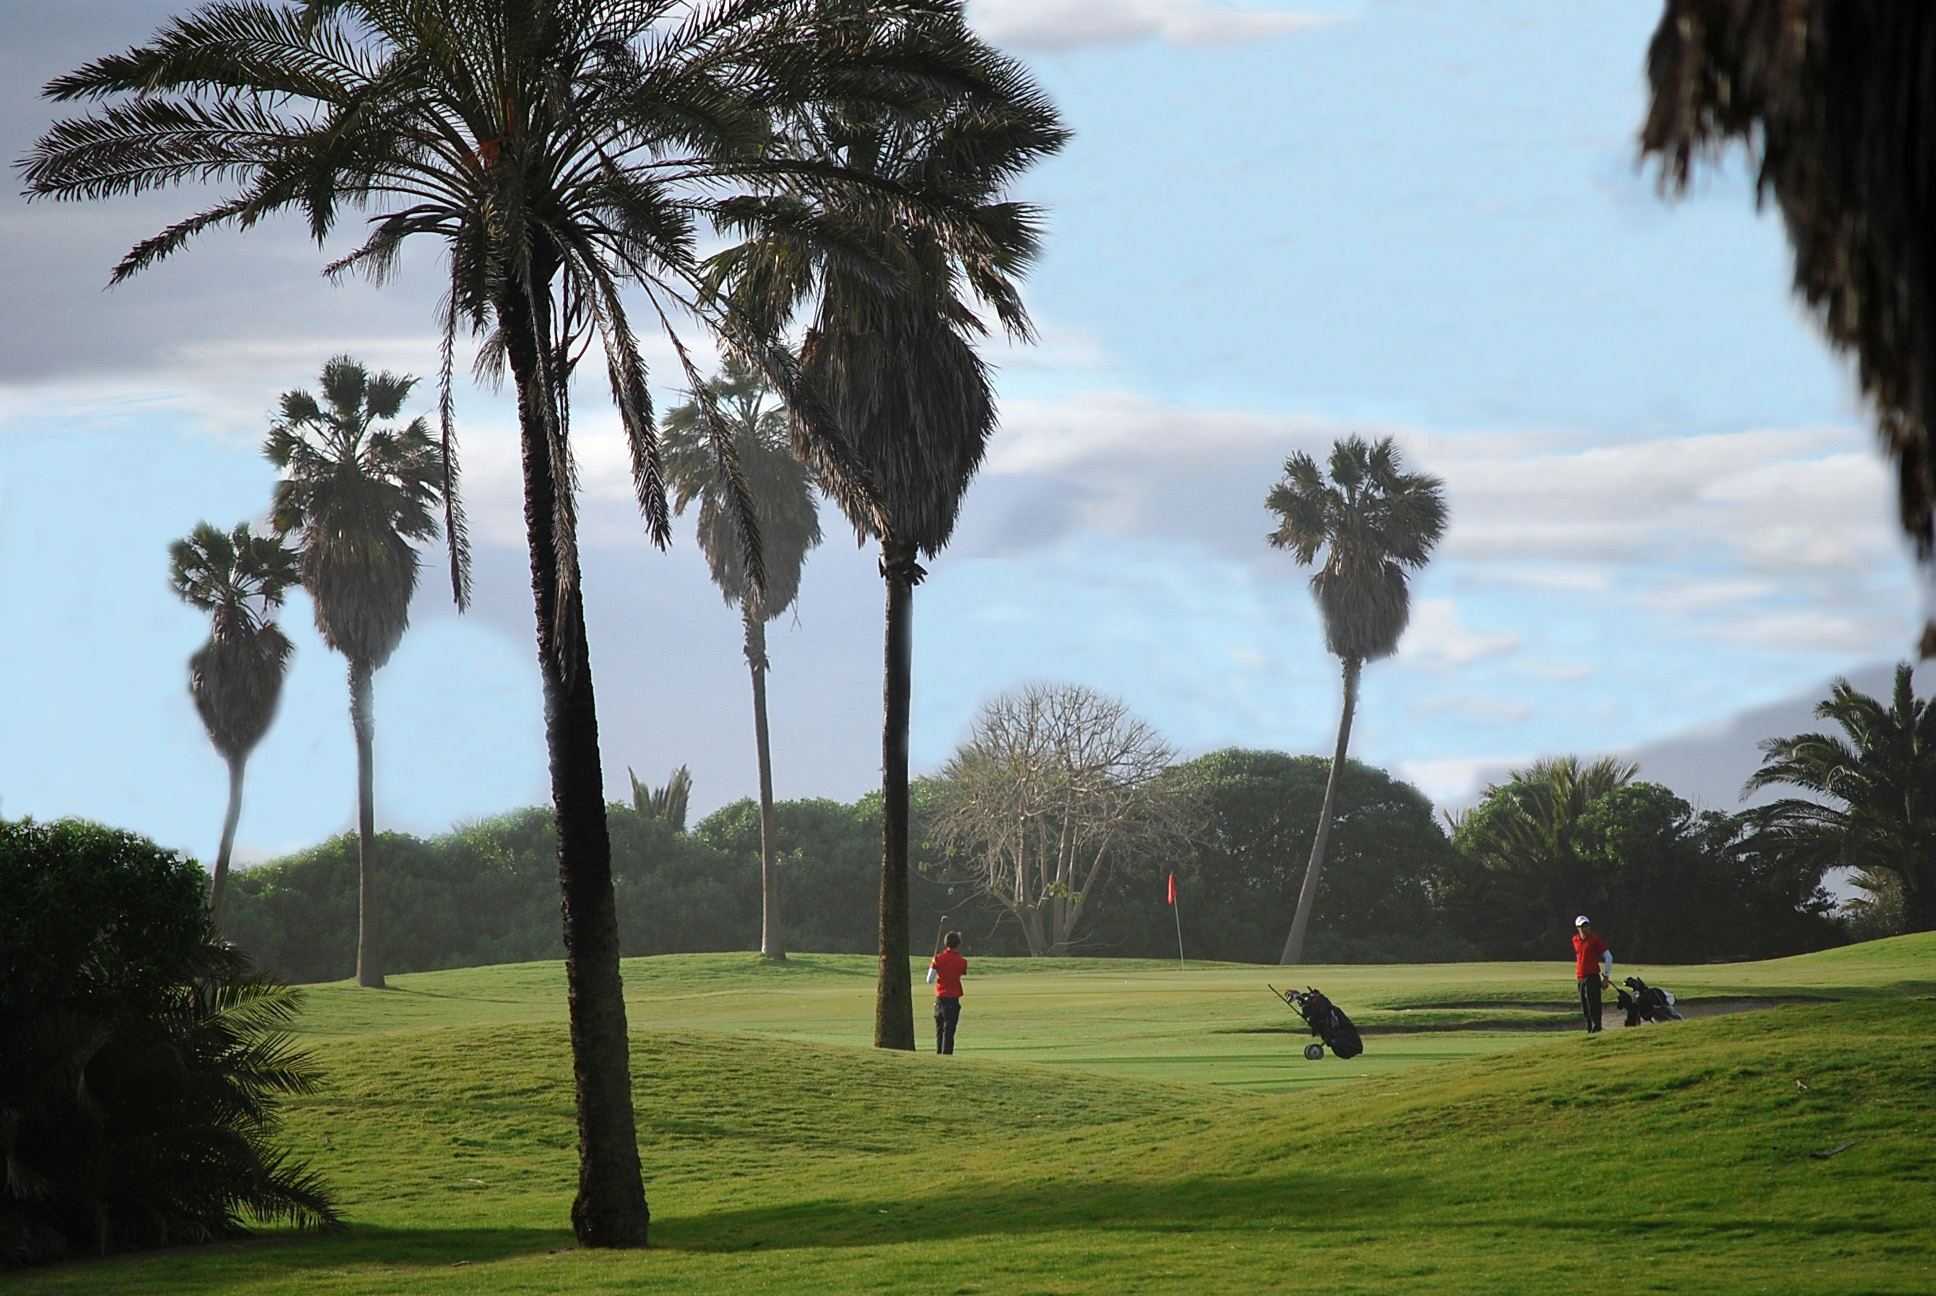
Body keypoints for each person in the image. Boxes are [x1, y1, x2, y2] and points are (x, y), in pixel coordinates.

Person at [926, 930, 967, 1055]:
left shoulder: (937, 958)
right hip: (953, 999)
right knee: (949, 1031)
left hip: (940, 998)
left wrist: (935, 964)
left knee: (939, 1030)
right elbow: (962, 972)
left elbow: (929, 980)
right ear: (958, 944)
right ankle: (947, 1055)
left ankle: (939, 1054)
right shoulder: (962, 961)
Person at [1572, 915, 1613, 1034]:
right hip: (1581, 978)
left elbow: (1608, 957)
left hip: (1592, 977)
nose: (1585, 929)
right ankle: (1590, 1033)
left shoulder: (1594, 939)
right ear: (1577, 927)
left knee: (1594, 1008)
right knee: (1586, 1009)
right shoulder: (1575, 940)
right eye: (1582, 926)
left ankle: (1596, 1032)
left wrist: (1606, 977)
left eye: (1587, 926)